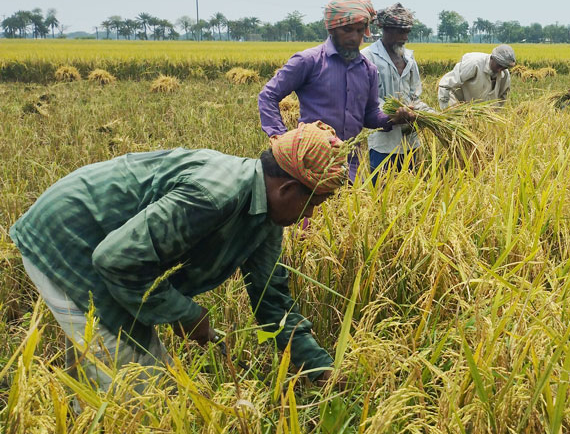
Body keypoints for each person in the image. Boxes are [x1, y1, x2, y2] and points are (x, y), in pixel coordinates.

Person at [9, 122, 349, 394]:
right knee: (142, 387)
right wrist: (186, 314)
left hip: (108, 247)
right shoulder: (214, 195)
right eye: (313, 204)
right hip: (71, 235)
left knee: (102, 368)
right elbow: (116, 260)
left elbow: (273, 304)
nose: (312, 215)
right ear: (287, 189)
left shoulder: (266, 220)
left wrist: (320, 369)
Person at [258, 0, 415, 182]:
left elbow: (370, 114)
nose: (354, 37)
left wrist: (393, 118)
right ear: (332, 29)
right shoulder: (309, 61)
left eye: (359, 31)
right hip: (312, 163)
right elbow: (268, 95)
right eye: (347, 30)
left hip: (350, 167)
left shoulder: (368, 70)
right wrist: (280, 137)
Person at [361, 3, 431, 183]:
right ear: (385, 30)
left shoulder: (409, 58)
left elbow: (415, 94)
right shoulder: (368, 57)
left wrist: (426, 113)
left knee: (410, 189)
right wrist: (392, 112)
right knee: (381, 191)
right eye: (400, 32)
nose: (405, 37)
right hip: (383, 142)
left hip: (410, 140)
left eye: (407, 31)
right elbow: (364, 99)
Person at [437, 45, 516, 109]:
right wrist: (446, 109)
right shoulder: (474, 64)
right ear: (492, 58)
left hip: (480, 111)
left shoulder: (505, 74)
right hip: (459, 105)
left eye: (504, 67)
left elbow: (502, 96)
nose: (500, 70)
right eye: (498, 65)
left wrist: (494, 115)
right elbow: (445, 84)